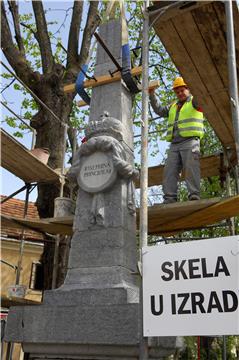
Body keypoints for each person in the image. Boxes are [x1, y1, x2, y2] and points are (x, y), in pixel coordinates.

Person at [149, 77, 204, 204]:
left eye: (182, 90)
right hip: (174, 144)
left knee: (191, 168)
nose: (179, 93)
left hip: (190, 141)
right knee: (170, 171)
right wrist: (152, 94)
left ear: (188, 90)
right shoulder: (173, 106)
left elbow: (202, 96)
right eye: (177, 91)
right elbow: (160, 110)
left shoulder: (195, 102)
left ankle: (194, 195)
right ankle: (169, 198)